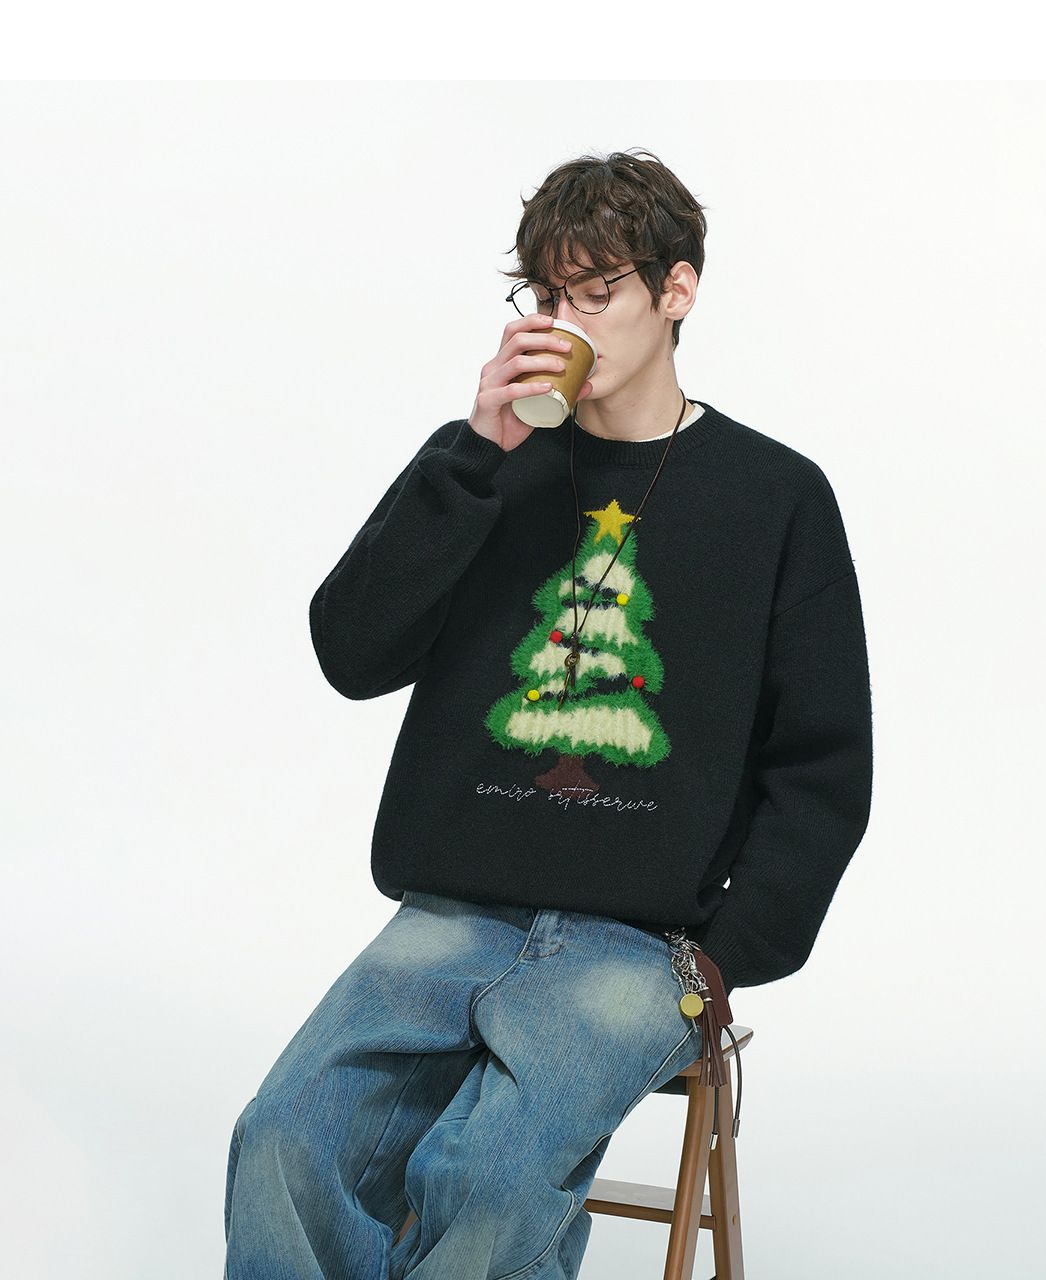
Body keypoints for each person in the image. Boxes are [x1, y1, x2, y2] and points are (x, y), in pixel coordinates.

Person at [223, 149, 872, 1280]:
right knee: (282, 1136)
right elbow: (351, 653)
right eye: (547, 294)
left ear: (677, 290)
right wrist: (475, 453)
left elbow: (823, 764)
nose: (565, 320)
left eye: (598, 291)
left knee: (490, 1176)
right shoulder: (484, 466)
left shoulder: (776, 496)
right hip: (454, 908)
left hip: (642, 940)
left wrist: (727, 958)